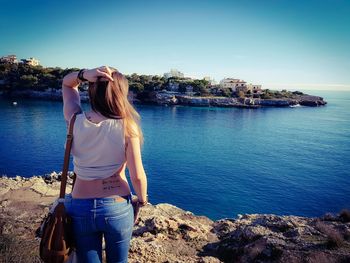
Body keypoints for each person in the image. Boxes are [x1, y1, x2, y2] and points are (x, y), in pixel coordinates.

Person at [62, 66, 148, 263]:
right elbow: (137, 175)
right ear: (122, 93)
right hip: (116, 205)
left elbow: (67, 84)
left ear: (92, 91)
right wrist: (141, 201)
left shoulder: (74, 120)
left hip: (80, 205)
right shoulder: (127, 126)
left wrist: (84, 75)